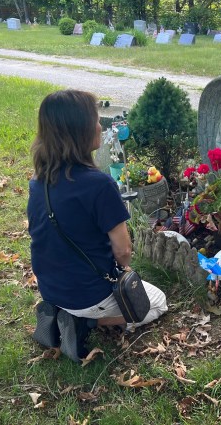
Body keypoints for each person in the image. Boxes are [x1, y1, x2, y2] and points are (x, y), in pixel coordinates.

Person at [27, 90, 168, 362]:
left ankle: (62, 312)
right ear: (78, 131)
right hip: (87, 293)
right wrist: (125, 271)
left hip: (50, 287)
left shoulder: (38, 182)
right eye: (94, 120)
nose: (99, 127)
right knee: (157, 302)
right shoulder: (99, 185)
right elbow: (123, 250)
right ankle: (85, 322)